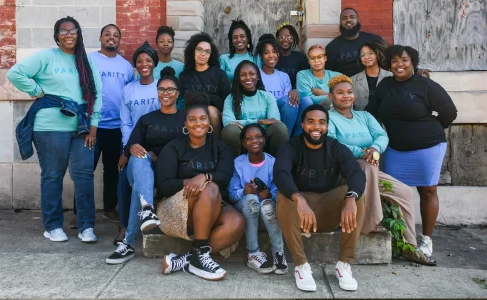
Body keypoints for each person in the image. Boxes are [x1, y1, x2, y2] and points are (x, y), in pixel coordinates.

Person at [7, 16, 102, 242]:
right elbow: (15, 73)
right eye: (63, 31)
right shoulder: (47, 57)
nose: (69, 35)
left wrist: (94, 125)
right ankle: (52, 226)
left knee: (84, 175)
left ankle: (86, 226)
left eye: (73, 31)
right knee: (52, 176)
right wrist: (37, 91)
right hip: (49, 127)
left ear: (79, 34)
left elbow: (98, 95)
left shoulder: (87, 63)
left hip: (82, 128)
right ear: (56, 35)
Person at [327, 75, 436, 266]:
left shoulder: (365, 116)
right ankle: (371, 222)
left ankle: (408, 246)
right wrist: (363, 153)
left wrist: (375, 149)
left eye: (350, 92)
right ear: (331, 96)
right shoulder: (329, 118)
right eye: (340, 93)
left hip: (369, 168)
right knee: (368, 165)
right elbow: (333, 143)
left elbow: (381, 135)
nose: (346, 96)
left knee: (405, 192)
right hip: (344, 172)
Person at [366, 45, 457, 259]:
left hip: (428, 147)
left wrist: (430, 127)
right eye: (395, 60)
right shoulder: (385, 86)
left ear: (413, 62)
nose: (400, 64)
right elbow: (372, 112)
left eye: (404, 60)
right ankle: (401, 239)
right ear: (389, 64)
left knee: (427, 191)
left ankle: (426, 240)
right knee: (392, 193)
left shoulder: (425, 85)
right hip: (396, 149)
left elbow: (449, 112)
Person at [273, 104, 367, 292]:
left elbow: (356, 173)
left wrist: (350, 197)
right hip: (300, 213)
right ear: (302, 125)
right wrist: (299, 199)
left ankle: (344, 265)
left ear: (327, 126)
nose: (316, 127)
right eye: (311, 122)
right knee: (284, 196)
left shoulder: (336, 147)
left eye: (321, 123)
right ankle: (301, 266)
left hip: (327, 208)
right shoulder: (291, 146)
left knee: (356, 196)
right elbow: (280, 173)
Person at [156, 94, 246, 281]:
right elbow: (163, 186)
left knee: (237, 223)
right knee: (210, 188)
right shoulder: (173, 148)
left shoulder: (220, 147)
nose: (199, 123)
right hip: (176, 209)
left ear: (209, 122)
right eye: (193, 119)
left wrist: (203, 177)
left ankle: (194, 257)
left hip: (212, 204)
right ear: (185, 123)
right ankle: (198, 258)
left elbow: (225, 176)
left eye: (203, 118)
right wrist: (188, 182)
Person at [106, 67, 186, 264]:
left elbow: (187, 151)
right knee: (140, 158)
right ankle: (148, 208)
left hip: (169, 171)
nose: (165, 93)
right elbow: (134, 145)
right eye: (161, 89)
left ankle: (129, 241)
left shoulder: (185, 119)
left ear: (178, 94)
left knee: (139, 190)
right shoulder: (146, 119)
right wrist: (134, 149)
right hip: (143, 167)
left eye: (170, 90)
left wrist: (158, 157)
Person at [76, 24, 135, 229]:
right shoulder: (90, 60)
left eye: (116, 35)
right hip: (92, 125)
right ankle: (79, 213)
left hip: (116, 127)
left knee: (112, 170)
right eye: (108, 34)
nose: (112, 38)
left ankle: (110, 208)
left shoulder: (126, 66)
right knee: (85, 170)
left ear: (120, 40)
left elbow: (130, 95)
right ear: (100, 37)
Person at [115, 41, 161, 244]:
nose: (144, 64)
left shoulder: (161, 87)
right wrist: (126, 150)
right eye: (140, 61)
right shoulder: (128, 90)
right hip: (134, 145)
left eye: (148, 60)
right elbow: (125, 123)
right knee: (124, 178)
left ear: (154, 63)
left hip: (158, 144)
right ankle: (124, 227)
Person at [228, 123, 288, 274]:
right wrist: (244, 191)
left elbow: (278, 194)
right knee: (251, 200)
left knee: (267, 204)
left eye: (258, 137)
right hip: (246, 210)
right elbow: (231, 194)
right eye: (249, 138)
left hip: (267, 213)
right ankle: (253, 253)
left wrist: (268, 195)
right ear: (243, 143)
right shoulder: (238, 163)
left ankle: (278, 253)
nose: (254, 141)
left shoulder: (273, 163)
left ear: (264, 140)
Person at [221, 60, 289, 157]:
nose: (248, 77)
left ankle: (278, 166)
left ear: (257, 77)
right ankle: (232, 167)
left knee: (280, 127)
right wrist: (260, 121)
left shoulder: (267, 96)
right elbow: (228, 122)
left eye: (252, 74)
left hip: (264, 138)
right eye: (243, 75)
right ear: (238, 78)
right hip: (242, 138)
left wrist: (241, 122)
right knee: (230, 130)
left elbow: (274, 120)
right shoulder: (231, 98)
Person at [178, 33, 231, 138]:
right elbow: (184, 100)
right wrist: (211, 98)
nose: (203, 54)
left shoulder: (219, 74)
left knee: (211, 110)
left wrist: (197, 97)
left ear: (211, 54)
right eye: (199, 50)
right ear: (193, 51)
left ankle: (215, 145)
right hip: (191, 113)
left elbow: (227, 100)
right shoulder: (185, 76)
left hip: (215, 116)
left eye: (207, 51)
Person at [255, 34, 304, 137]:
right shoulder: (256, 75)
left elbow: (288, 99)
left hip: (282, 113)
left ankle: (291, 137)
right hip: (264, 111)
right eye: (266, 53)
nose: (271, 56)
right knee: (290, 101)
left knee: (300, 101)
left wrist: (294, 92)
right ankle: (285, 139)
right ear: (260, 56)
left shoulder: (283, 76)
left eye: (274, 52)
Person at [325, 8, 384, 77]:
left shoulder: (374, 39)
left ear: (358, 20)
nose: (348, 20)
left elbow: (388, 59)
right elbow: (327, 73)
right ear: (340, 22)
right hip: (346, 85)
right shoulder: (332, 47)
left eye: (352, 17)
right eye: (344, 18)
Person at [350, 40, 392, 110]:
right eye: (362, 55)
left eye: (370, 53)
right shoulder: (352, 80)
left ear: (378, 54)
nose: (366, 57)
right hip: (361, 119)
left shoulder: (391, 77)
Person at [296, 45, 341, 110]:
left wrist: (323, 93)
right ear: (308, 61)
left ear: (325, 58)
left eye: (319, 57)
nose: (316, 60)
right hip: (310, 112)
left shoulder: (337, 76)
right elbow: (306, 98)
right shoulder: (303, 75)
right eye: (312, 58)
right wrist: (333, 96)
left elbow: (345, 97)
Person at [275, 22, 309, 89]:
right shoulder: (272, 58)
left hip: (296, 94)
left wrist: (296, 90)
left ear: (294, 40)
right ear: (277, 39)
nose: (286, 40)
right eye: (282, 37)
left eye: (290, 37)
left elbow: (306, 79)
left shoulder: (301, 58)